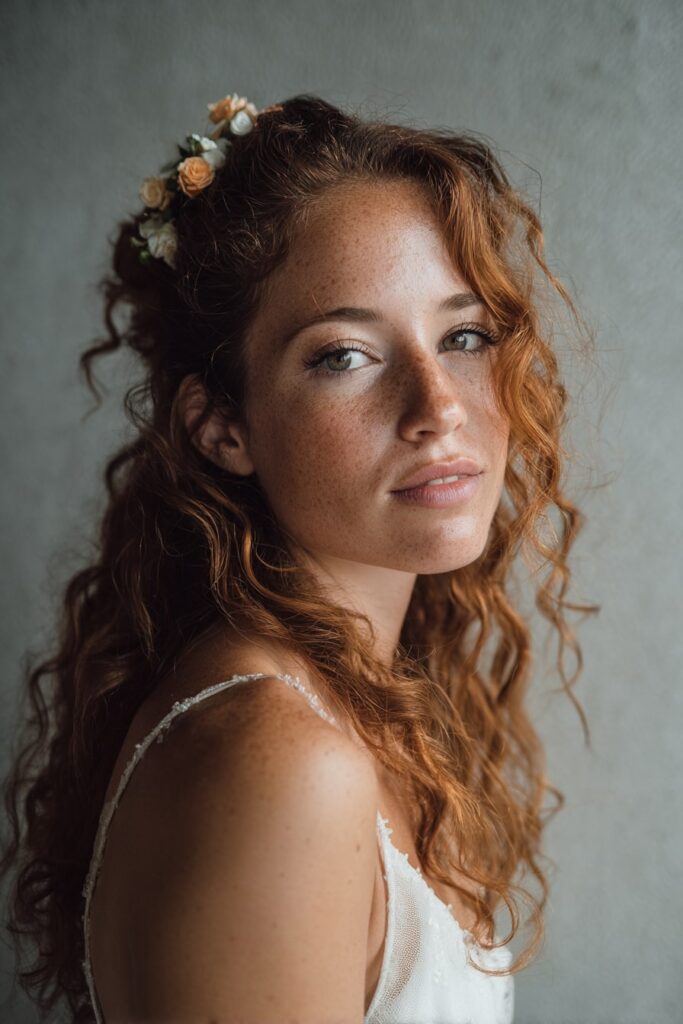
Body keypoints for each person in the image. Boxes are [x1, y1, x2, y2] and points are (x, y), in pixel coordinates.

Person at [0, 92, 599, 1023]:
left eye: (464, 336)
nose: (438, 405)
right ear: (223, 426)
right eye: (344, 356)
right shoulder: (281, 762)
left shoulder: (349, 704)